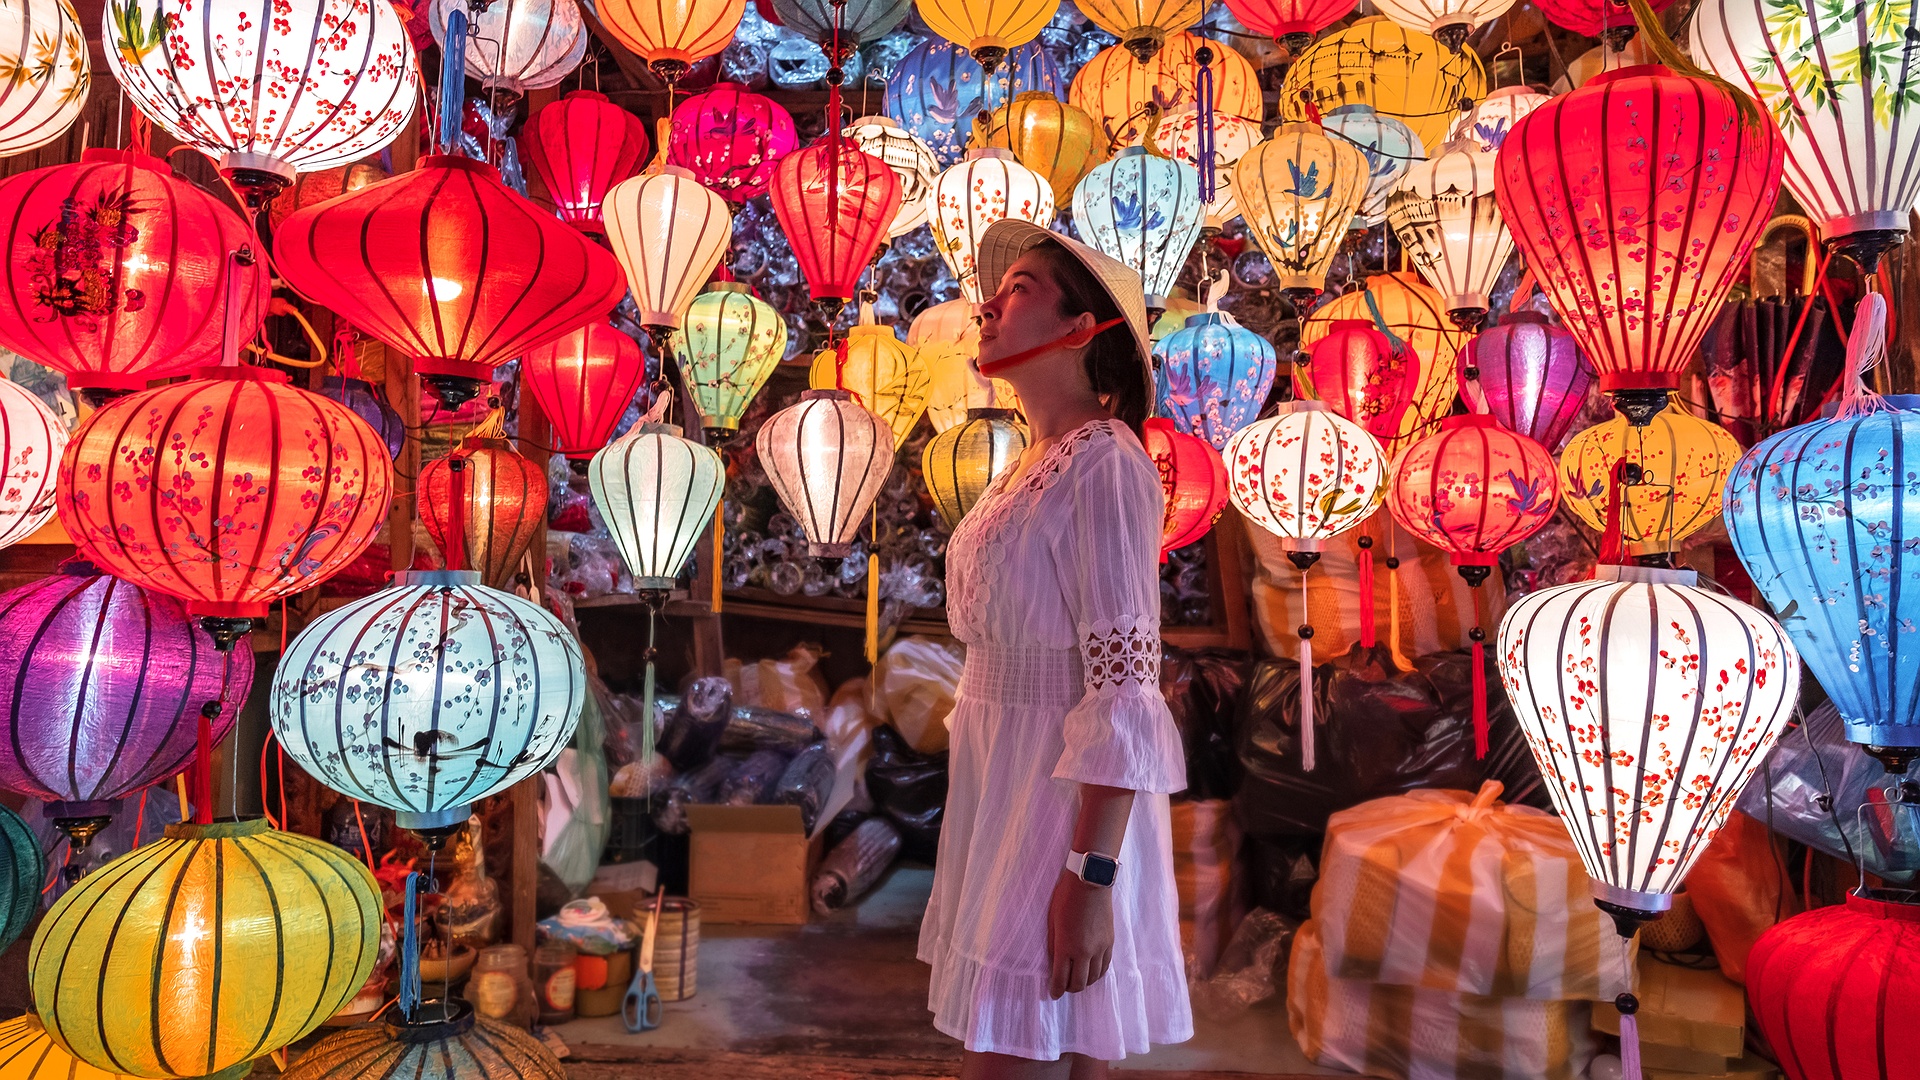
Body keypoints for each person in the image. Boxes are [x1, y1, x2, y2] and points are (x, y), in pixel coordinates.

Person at [919, 218, 1192, 1080]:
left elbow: (1125, 687)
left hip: (1060, 800)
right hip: (1002, 783)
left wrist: (1090, 875)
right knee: (1049, 1046)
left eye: (1022, 290)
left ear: (1081, 329)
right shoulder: (1029, 463)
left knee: (1019, 1047)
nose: (988, 307)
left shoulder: (1105, 463)